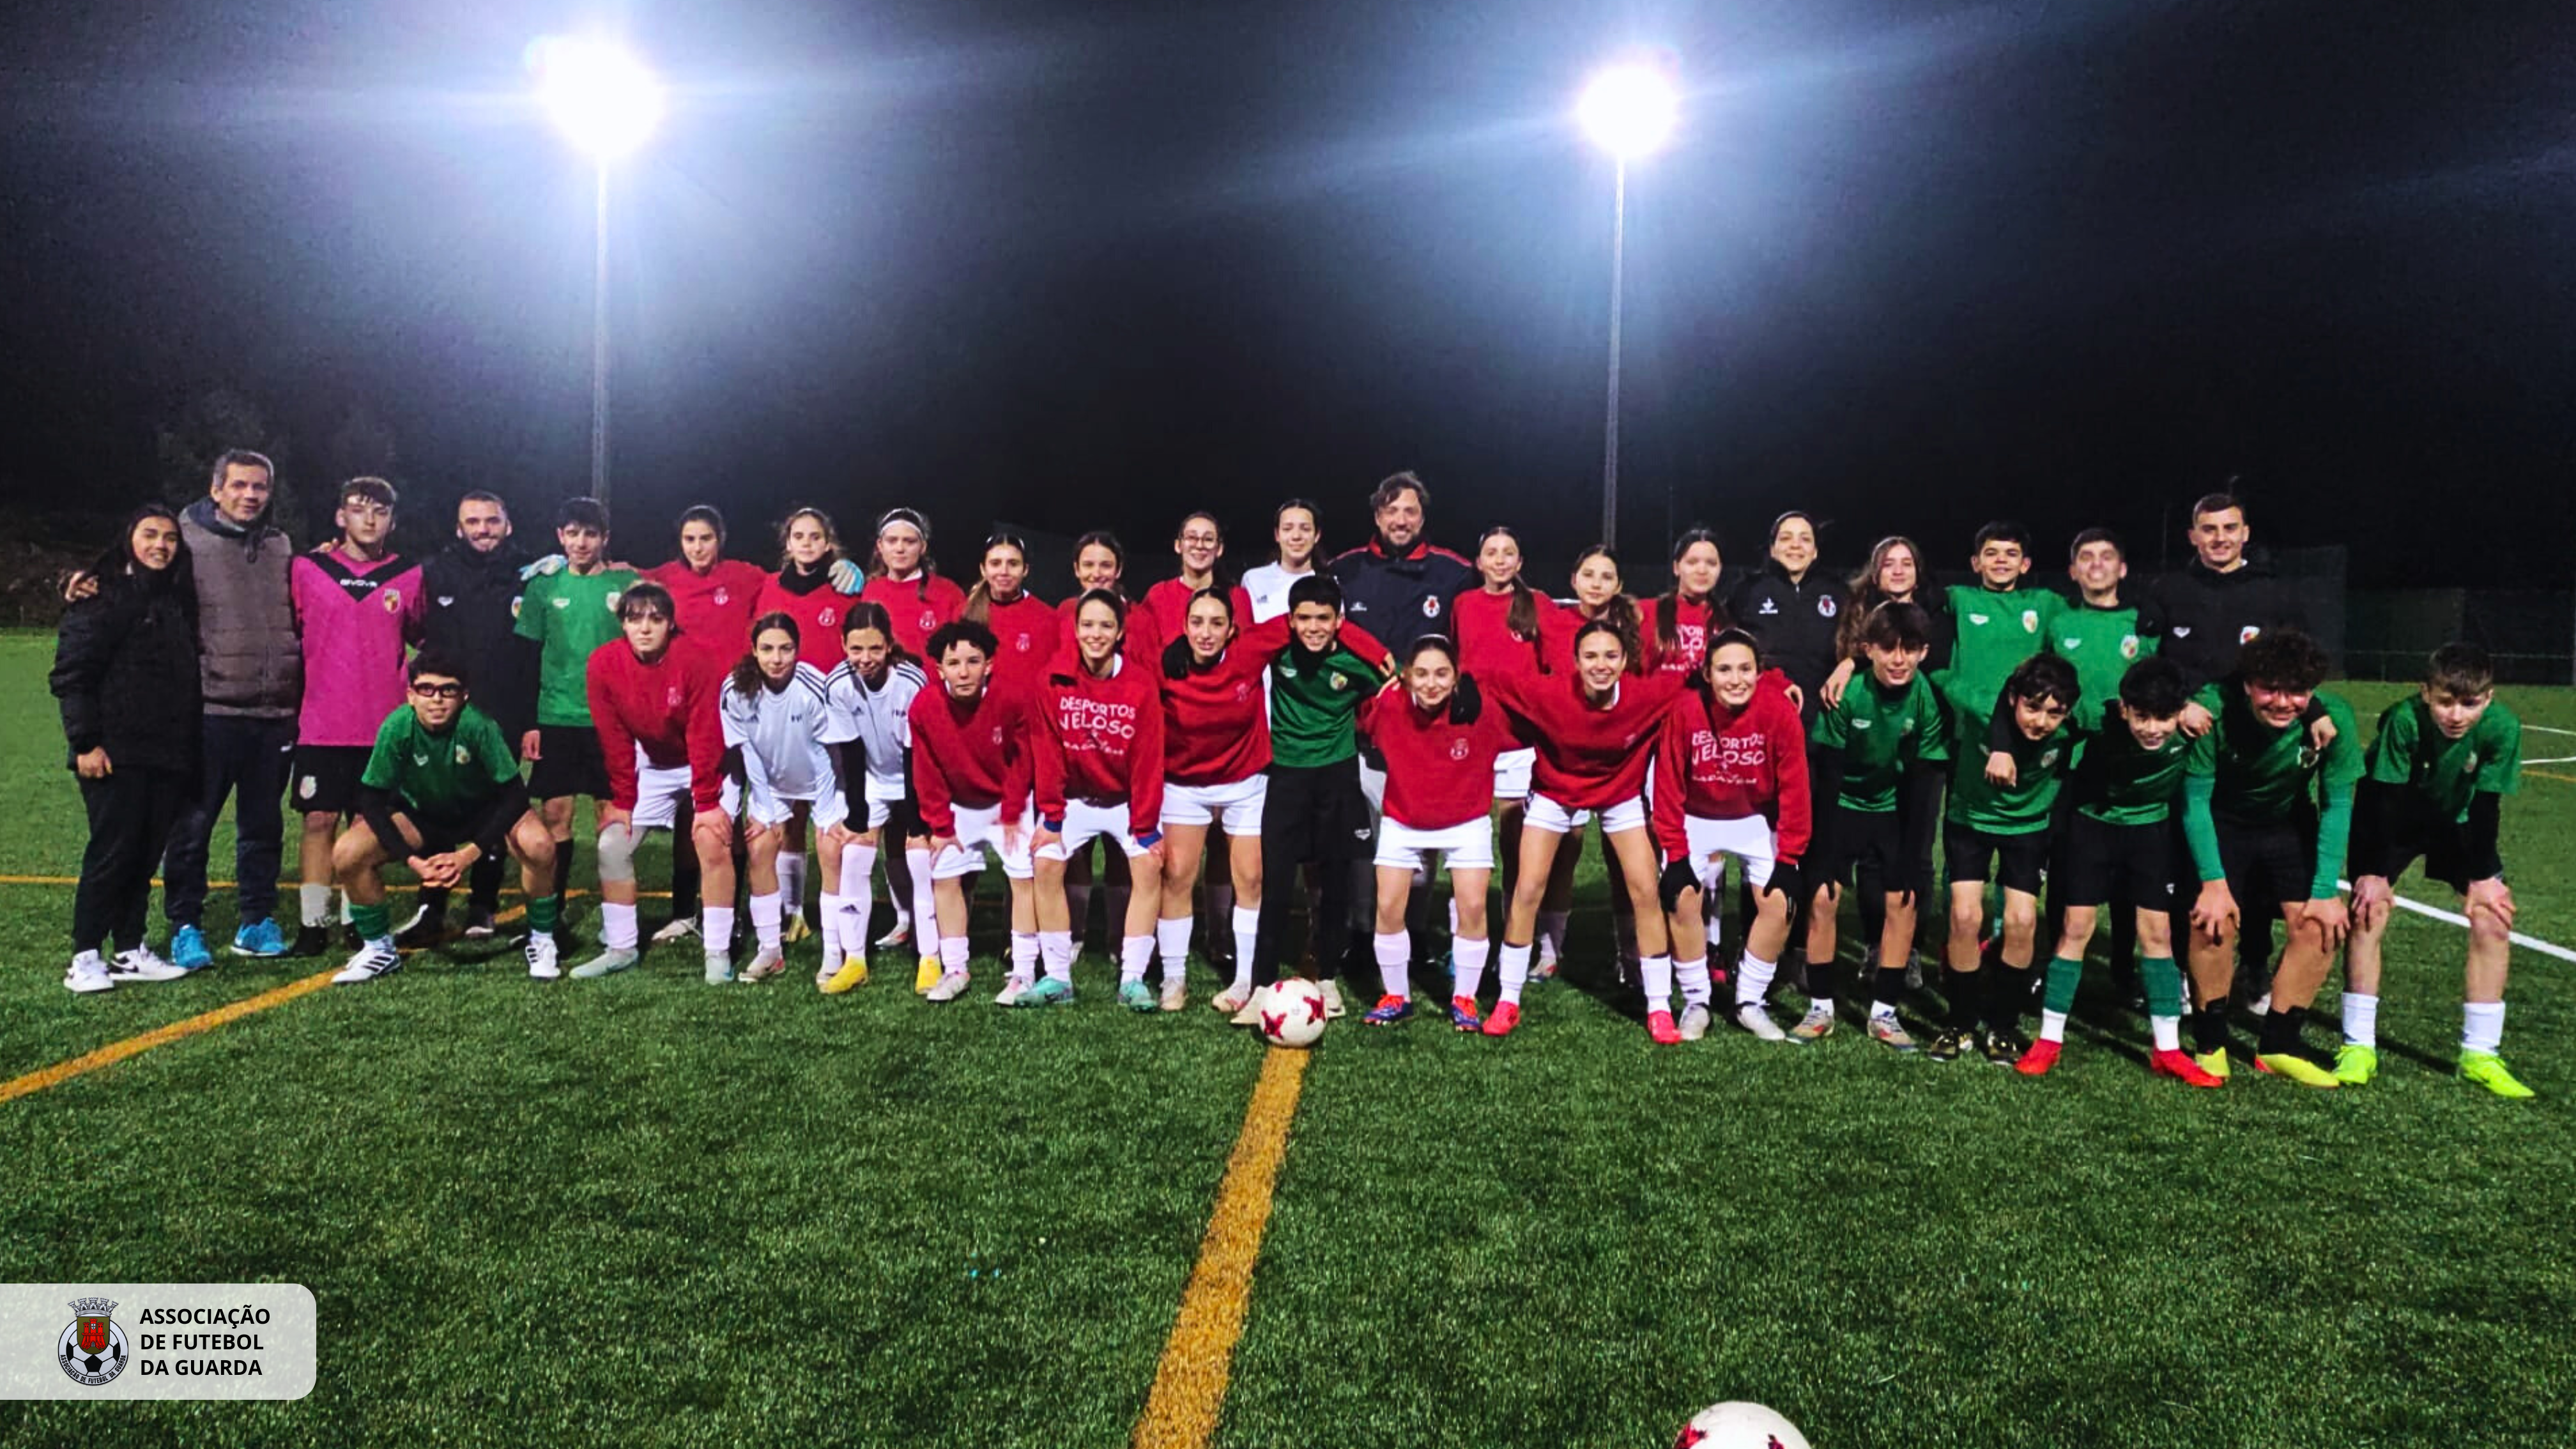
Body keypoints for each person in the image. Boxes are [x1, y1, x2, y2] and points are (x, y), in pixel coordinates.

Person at [2012, 656, 2222, 1086]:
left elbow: (2197, 800)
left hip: (2151, 832)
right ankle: (2049, 1041)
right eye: (2141, 716)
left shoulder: (2193, 732)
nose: (2152, 728)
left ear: (2180, 712)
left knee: (2159, 934)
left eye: (2163, 717)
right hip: (2092, 828)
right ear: (2124, 709)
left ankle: (2167, 1049)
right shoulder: (2099, 720)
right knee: (2076, 928)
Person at [1481, 620, 1688, 1038]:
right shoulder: (1548, 692)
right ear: (1575, 661)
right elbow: (1483, 676)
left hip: (1621, 795)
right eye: (1591, 656)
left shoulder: (1647, 693)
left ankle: (1660, 1007)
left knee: (1646, 889)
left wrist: (1776, 682)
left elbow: (1706, 674)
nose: (1601, 665)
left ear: (1626, 661)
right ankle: (1508, 1000)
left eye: (1611, 656)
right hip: (1555, 792)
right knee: (1528, 887)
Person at [2341, 644, 2530, 1097]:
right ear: (2425, 692)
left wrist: (2483, 878)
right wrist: (2375, 872)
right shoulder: (2403, 720)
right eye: (2446, 701)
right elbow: (2383, 797)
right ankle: (2358, 1046)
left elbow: (2487, 804)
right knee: (2369, 912)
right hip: (2393, 820)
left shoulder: (2503, 727)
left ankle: (2480, 1055)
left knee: (2494, 917)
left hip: (2459, 823)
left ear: (2489, 697)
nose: (2457, 715)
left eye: (2470, 703)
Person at [2177, 628, 2360, 1087]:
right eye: (2270, 689)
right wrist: (2214, 883)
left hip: (2286, 825)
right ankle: (2211, 1043)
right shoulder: (2212, 711)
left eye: (2297, 692)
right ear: (2247, 685)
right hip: (2222, 819)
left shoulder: (2334, 719)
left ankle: (2278, 1046)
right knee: (2212, 920)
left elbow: (2337, 805)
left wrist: (2324, 893)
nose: (2283, 702)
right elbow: (2194, 800)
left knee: (2321, 925)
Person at [326, 652, 559, 984]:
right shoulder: (396, 728)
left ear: (464, 696)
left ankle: (542, 939)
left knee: (539, 845)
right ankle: (379, 949)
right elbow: (371, 799)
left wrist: (469, 854)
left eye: (448, 691)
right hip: (422, 817)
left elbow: (514, 795)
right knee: (347, 853)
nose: (437, 700)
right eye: (427, 690)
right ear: (411, 695)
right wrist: (412, 861)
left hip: (482, 813)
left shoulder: (478, 726)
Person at [51, 505, 202, 992]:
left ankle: (131, 948)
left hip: (166, 752)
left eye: (171, 538)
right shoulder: (102, 594)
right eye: (150, 535)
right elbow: (73, 675)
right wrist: (85, 743)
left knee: (144, 854)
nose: (161, 545)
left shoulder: (177, 600)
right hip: (115, 751)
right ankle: (85, 955)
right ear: (129, 540)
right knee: (112, 853)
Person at [161, 449, 302, 967]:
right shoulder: (186, 540)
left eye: (259, 487)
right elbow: (142, 574)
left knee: (263, 825)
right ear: (216, 488)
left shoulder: (280, 544)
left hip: (275, 711)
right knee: (193, 825)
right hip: (212, 709)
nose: (250, 496)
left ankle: (257, 920)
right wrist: (92, 582)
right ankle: (185, 925)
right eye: (239, 485)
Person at [286, 477, 426, 957]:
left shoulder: (408, 574)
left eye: (381, 511)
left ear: (392, 520)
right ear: (340, 517)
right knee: (318, 820)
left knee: (367, 826)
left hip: (384, 728)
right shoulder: (307, 567)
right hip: (322, 722)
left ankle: (355, 920)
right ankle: (311, 924)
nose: (370, 519)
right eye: (359, 509)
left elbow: (426, 637)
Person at [1803, 601, 1952, 1050]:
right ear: (1868, 649)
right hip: (1842, 803)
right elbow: (1827, 773)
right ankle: (1821, 1007)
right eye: (1888, 649)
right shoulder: (1846, 692)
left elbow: (1925, 783)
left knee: (1902, 900)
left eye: (1909, 649)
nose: (1899, 659)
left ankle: (1884, 1013)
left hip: (1890, 807)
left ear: (1924, 652)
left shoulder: (1926, 698)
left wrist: (1912, 853)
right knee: (1824, 897)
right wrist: (1826, 850)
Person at [573, 581, 737, 983]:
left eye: (656, 619)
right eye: (634, 619)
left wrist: (707, 801)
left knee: (710, 840)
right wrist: (623, 801)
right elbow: (613, 737)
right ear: (623, 624)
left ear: (671, 624)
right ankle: (621, 947)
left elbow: (705, 733)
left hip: (710, 761)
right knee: (613, 843)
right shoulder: (603, 664)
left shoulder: (695, 659)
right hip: (655, 765)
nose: (645, 628)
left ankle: (718, 952)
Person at [1651, 629, 1811, 1042]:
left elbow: (1795, 787)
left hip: (1754, 818)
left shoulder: (1778, 712)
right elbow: (1668, 784)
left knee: (1780, 901)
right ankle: (1696, 1000)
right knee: (1682, 894)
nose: (1735, 679)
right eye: (1724, 669)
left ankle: (1749, 1001)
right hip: (1697, 815)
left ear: (1760, 672)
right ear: (1707, 673)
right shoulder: (1685, 711)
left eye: (1745, 669)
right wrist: (1675, 850)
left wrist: (1790, 856)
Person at [1246, 574, 1395, 1018]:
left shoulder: (1357, 663)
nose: (1313, 627)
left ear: (1339, 622)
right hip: (1287, 775)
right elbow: (1248, 642)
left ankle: (1328, 977)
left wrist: (1358, 642)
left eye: (1324, 619)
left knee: (1335, 882)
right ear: (1290, 621)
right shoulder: (1278, 652)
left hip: (1338, 775)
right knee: (1276, 883)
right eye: (1304, 618)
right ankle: (1261, 984)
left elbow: (1395, 684)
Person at [1154, 587, 1306, 1016]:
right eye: (1197, 623)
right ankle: (1174, 976)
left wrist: (1379, 657)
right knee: (1178, 876)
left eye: (1216, 623)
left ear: (1232, 630)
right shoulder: (1165, 665)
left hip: (1246, 782)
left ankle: (1245, 981)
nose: (1206, 633)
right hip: (1184, 785)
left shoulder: (1250, 650)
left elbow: (1313, 614)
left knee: (1251, 880)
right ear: (1184, 627)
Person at [1358, 636, 1513, 1027]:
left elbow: (1522, 699)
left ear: (1457, 677)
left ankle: (1465, 998)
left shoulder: (1481, 710)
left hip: (1466, 821)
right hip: (1404, 820)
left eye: (1442, 674)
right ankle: (1397, 995)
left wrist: (1481, 683)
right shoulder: (1388, 706)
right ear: (1406, 676)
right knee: (1390, 907)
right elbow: (1358, 709)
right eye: (1422, 674)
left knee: (1473, 907)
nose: (1432, 684)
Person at [909, 619, 1066, 1004]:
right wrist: (941, 826)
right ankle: (956, 968)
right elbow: (926, 770)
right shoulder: (925, 706)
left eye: (973, 661)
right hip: (959, 806)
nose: (964, 672)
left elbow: (1021, 759)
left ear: (989, 665)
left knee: (1022, 879)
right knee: (944, 877)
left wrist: (1012, 812)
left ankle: (1024, 972)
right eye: (954, 663)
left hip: (1005, 804)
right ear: (939, 669)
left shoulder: (1011, 699)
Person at [1935, 653, 2080, 1063]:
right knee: (1965, 916)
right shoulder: (1980, 705)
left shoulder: (2074, 726)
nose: (2041, 721)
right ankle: (1960, 1022)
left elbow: (2122, 711)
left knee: (2022, 920)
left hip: (2029, 828)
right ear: (2013, 698)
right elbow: (1941, 675)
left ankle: (2003, 1025)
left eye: (2054, 713)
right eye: (2032, 707)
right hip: (1970, 820)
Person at [1034, 590, 1171, 1010]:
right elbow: (1048, 750)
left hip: (1124, 800)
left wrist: (1146, 826)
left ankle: (1132, 979)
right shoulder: (1051, 679)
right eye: (1088, 625)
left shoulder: (1141, 684)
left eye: (1106, 626)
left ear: (1121, 633)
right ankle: (1057, 977)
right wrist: (1053, 816)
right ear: (1075, 631)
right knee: (1045, 863)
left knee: (1149, 865)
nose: (1096, 634)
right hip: (1075, 798)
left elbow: (1149, 759)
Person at [413, 491, 538, 943]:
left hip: (504, 710)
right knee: (436, 802)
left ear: (508, 525)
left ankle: (482, 903)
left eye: (491, 521)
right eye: (473, 521)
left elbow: (536, 650)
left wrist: (530, 720)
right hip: (444, 709)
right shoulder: (434, 572)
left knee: (492, 807)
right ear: (458, 527)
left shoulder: (530, 575)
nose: (482, 529)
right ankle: (431, 904)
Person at [513, 498, 640, 929]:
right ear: (560, 537)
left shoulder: (628, 583)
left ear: (605, 538)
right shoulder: (543, 587)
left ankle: (615, 912)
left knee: (611, 814)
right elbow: (528, 658)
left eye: (590, 534)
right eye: (572, 533)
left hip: (611, 719)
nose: (581, 542)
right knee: (556, 816)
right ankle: (556, 908)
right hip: (556, 716)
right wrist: (530, 721)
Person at [1447, 525, 1561, 942]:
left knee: (1515, 848)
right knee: (1463, 847)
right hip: (1471, 741)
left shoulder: (1537, 605)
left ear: (1519, 562)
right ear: (1478, 563)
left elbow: (1556, 668)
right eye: (1491, 552)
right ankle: (1465, 937)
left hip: (1520, 744)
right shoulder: (1463, 604)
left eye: (1507, 552)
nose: (1499, 559)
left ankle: (1517, 937)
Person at [723, 613, 847, 986]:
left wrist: (826, 815)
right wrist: (770, 812)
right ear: (754, 651)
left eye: (785, 649)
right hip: (771, 784)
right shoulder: (735, 689)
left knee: (830, 850)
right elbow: (748, 754)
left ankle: (833, 954)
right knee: (760, 847)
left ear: (798, 649)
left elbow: (830, 754)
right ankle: (769, 950)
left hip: (824, 780)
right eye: (767, 649)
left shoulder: (814, 686)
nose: (776, 658)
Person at [821, 604, 938, 992]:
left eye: (874, 648)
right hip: (872, 779)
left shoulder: (911, 681)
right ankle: (854, 959)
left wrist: (916, 820)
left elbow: (914, 754)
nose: (865, 659)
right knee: (854, 855)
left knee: (920, 860)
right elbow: (851, 753)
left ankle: (930, 958)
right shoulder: (837, 685)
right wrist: (857, 816)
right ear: (843, 645)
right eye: (856, 649)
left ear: (889, 645)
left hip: (915, 776)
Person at [2147, 492, 2308, 717]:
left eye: (2230, 528)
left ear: (2245, 533)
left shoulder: (2275, 593)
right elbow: (2149, 663)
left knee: (2338, 714)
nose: (2220, 538)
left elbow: (2297, 661)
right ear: (2193, 537)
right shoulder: (2167, 591)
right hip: (2184, 714)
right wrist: (2178, 705)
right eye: (2209, 530)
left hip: (2254, 716)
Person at [1937, 519, 2063, 742]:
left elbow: (2091, 612)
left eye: (2011, 553)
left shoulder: (2044, 602)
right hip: (1971, 724)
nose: (2001, 560)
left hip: (2027, 723)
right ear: (1976, 563)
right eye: (1992, 553)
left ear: (2025, 565)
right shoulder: (1957, 598)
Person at [1325, 471, 1475, 655]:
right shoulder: (1343, 569)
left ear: (1422, 519)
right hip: (1361, 683)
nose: (1401, 521)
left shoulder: (1456, 573)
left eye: (1410, 512)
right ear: (1378, 518)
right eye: (1392, 511)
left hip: (1425, 683)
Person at [1728, 510, 1843, 717]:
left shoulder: (1838, 591)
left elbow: (1862, 641)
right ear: (1773, 549)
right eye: (1786, 538)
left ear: (1815, 551)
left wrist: (1848, 665)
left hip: (1825, 715)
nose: (1796, 545)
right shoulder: (1748, 590)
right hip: (1763, 710)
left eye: (1805, 539)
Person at [645, 504, 772, 649]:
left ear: (720, 538)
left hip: (737, 671)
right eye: (690, 539)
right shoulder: (665, 576)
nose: (698, 548)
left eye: (706, 539)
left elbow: (782, 587)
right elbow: (629, 579)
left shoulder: (745, 575)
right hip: (687, 669)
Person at [855, 508, 967, 662]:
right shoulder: (871, 591)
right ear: (880, 546)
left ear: (923, 547)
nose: (900, 549)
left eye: (909, 542)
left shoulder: (948, 592)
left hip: (933, 685)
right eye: (892, 541)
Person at [960, 530, 1061, 693]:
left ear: (1025, 570)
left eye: (1013, 564)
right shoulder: (963, 612)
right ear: (983, 569)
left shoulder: (1047, 618)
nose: (1004, 571)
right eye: (995, 563)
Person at [1143, 512, 1251, 652]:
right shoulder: (1158, 595)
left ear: (1219, 549)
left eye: (1208, 539)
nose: (1199, 545)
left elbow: (1244, 652)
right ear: (1178, 545)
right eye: (1192, 537)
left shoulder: (1236, 597)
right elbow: (1145, 650)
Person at [1639, 527, 1728, 680]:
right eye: (1692, 562)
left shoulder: (1728, 622)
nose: (1702, 570)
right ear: (1676, 568)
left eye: (1711, 563)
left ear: (1720, 569)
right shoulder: (1646, 611)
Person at [1242, 499, 1323, 624]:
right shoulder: (1253, 580)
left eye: (1305, 529)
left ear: (1317, 535)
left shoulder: (1329, 584)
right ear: (1277, 535)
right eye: (1287, 529)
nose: (1296, 536)